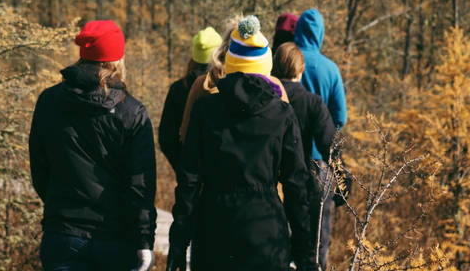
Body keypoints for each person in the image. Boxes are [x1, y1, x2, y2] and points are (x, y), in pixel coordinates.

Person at [166, 15, 316, 271]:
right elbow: (297, 186)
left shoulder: (205, 110)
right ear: (266, 66)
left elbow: (188, 181)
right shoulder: (281, 114)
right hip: (266, 235)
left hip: (213, 234)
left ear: (230, 63)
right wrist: (305, 256)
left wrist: (178, 244)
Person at [29, 20, 156, 271]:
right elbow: (140, 186)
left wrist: (60, 206)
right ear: (117, 60)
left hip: (63, 234)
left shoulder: (49, 101)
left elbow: (39, 169)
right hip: (116, 240)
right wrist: (144, 240)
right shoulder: (132, 112)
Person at [272, 42, 336, 269]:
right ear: (301, 69)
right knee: (308, 252)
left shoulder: (267, 102)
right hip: (304, 185)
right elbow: (330, 147)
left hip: (269, 185)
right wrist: (343, 183)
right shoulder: (313, 103)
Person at [294, 8, 347, 269]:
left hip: (287, 158)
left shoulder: (287, 63)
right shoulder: (330, 69)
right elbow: (340, 118)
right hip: (320, 162)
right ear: (321, 34)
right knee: (319, 235)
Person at [159, 26, 222, 172]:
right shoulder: (225, 87)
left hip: (188, 175)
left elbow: (166, 138)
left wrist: (182, 167)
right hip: (220, 175)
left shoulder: (178, 88)